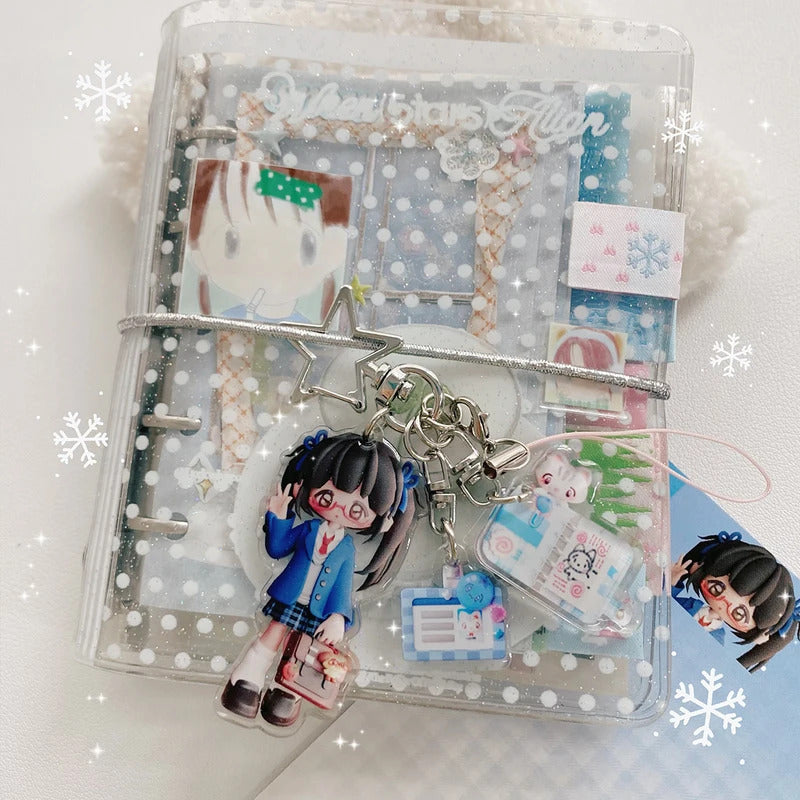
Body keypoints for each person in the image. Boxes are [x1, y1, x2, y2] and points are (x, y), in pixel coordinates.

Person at [220, 430, 417, 725]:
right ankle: (246, 682)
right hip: (290, 597)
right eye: (328, 496)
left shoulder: (346, 549)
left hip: (318, 611)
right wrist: (278, 516)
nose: (339, 509)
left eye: (357, 509)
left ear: (383, 519)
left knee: (305, 652)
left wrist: (338, 617)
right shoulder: (308, 529)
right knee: (272, 635)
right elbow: (277, 548)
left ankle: (287, 694)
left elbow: (342, 588)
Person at [671, 532, 800, 672]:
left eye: (739, 614)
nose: (723, 605)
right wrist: (671, 583)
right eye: (716, 588)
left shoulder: (718, 636)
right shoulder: (690, 604)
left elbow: (708, 663)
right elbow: (661, 604)